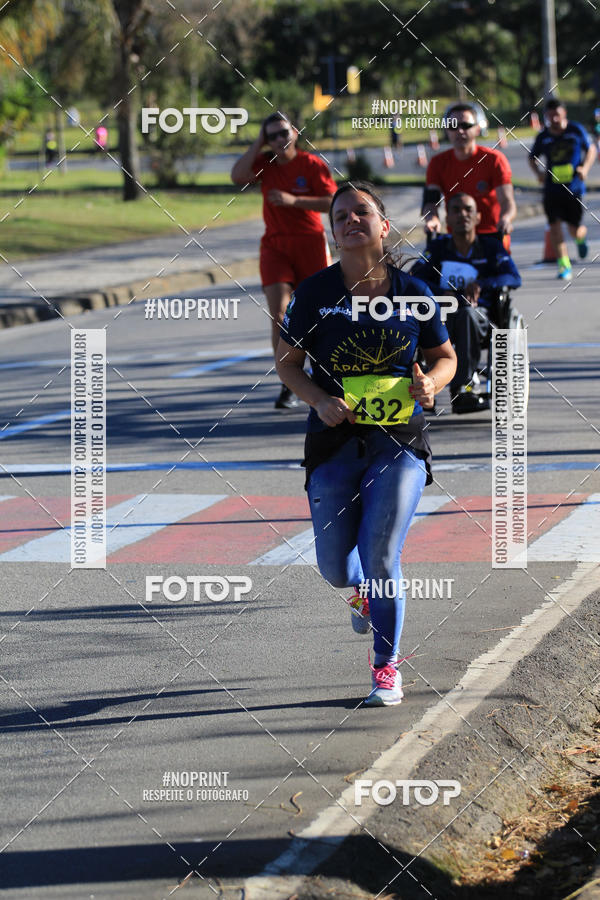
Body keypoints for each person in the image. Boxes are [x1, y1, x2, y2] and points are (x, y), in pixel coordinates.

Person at [275, 182, 456, 706]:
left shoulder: (415, 292)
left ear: (383, 224)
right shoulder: (314, 293)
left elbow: (446, 357)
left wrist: (433, 383)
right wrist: (318, 400)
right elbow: (288, 365)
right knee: (335, 567)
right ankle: (360, 597)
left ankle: (385, 666)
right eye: (340, 216)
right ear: (333, 232)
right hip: (333, 440)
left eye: (362, 212)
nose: (350, 220)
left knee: (382, 553)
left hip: (398, 439)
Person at [231, 112, 338, 409]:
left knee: (319, 312)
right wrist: (257, 143)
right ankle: (288, 381)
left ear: (295, 133)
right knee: (279, 314)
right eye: (272, 135)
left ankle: (323, 375)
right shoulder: (265, 163)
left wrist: (294, 201)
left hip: (310, 244)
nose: (279, 140)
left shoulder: (311, 164)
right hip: (275, 246)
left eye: (283, 133)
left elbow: (332, 200)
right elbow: (238, 176)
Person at [411, 193, 521, 414]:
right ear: (447, 219)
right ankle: (423, 385)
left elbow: (513, 278)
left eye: (468, 210)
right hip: (442, 315)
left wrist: (481, 283)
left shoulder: (490, 247)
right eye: (456, 210)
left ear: (478, 217)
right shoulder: (439, 248)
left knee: (468, 315)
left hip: (480, 316)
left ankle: (462, 388)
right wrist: (442, 293)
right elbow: (414, 278)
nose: (463, 214)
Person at [422, 103, 516, 239]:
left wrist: (506, 218)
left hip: (492, 237)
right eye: (453, 126)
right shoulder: (437, 163)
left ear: (478, 129)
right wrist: (432, 219)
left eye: (466, 126)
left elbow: (507, 201)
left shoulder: (494, 159)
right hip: (457, 241)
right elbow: (430, 201)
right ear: (447, 131)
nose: (460, 131)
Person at [529, 98, 597, 281]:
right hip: (552, 190)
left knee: (574, 229)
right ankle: (564, 265)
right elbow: (531, 157)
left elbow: (591, 150)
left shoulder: (575, 130)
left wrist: (585, 168)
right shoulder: (543, 136)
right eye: (550, 116)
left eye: (557, 115)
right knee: (555, 227)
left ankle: (581, 238)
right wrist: (539, 174)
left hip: (574, 188)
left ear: (564, 113)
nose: (554, 119)